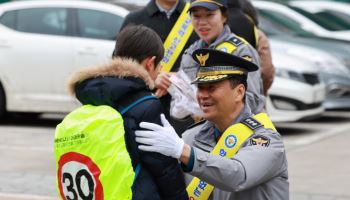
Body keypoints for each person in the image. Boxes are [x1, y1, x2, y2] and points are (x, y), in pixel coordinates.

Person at [135, 48, 289, 200]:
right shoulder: (192, 137)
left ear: (239, 92)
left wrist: (184, 152)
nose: (203, 95)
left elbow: (238, 175)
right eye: (200, 88)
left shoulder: (266, 140)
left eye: (212, 88)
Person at [67, 25, 188, 199]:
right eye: (159, 65)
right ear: (150, 62)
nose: (160, 70)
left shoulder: (91, 94)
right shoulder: (147, 105)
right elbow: (164, 168)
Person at [120, 0, 199, 134]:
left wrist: (178, 79)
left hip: (186, 115)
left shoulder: (197, 17)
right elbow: (120, 65)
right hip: (143, 111)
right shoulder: (135, 19)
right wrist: (150, 78)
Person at [179, 0, 265, 115]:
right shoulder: (190, 53)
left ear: (224, 16)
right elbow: (181, 97)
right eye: (196, 16)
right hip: (203, 128)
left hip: (238, 127)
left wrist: (214, 106)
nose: (202, 22)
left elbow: (252, 99)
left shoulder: (241, 50)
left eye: (209, 15)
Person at [239, 0, 275, 96]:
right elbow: (267, 71)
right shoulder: (257, 35)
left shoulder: (217, 33)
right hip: (252, 97)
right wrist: (261, 92)